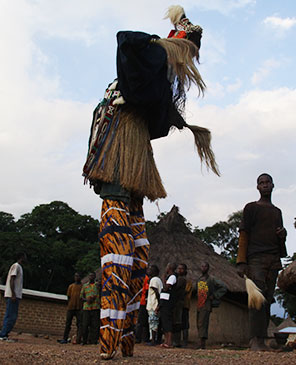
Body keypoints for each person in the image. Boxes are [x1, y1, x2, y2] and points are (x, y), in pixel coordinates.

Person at [81, 5, 217, 360]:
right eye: (187, 51)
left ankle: (125, 341)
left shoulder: (158, 77)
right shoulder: (150, 55)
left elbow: (158, 118)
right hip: (116, 163)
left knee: (139, 259)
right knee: (118, 257)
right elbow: (125, 40)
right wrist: (160, 42)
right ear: (178, 47)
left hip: (136, 166)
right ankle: (109, 343)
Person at [236, 173, 287, 351]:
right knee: (256, 298)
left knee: (267, 299)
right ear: (257, 187)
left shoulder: (277, 212)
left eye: (267, 182)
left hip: (273, 260)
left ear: (273, 185)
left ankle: (263, 339)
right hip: (255, 258)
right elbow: (244, 233)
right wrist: (241, 261)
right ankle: (254, 340)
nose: (265, 185)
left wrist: (283, 236)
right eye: (261, 183)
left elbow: (281, 242)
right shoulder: (251, 208)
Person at [195, 262, 227, 349]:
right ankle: (200, 342)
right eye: (202, 266)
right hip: (199, 304)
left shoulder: (211, 279)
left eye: (205, 266)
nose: (203, 268)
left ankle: (202, 344)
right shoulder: (199, 279)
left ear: (208, 268)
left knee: (203, 323)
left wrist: (215, 295)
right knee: (198, 323)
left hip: (206, 304)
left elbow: (223, 287)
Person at [0, 253, 26, 342]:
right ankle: (2, 335)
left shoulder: (20, 267)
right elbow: (12, 279)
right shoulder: (16, 266)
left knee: (13, 316)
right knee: (10, 315)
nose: (26, 259)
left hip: (15, 295)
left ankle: (5, 334)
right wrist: (13, 293)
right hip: (12, 295)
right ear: (21, 257)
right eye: (25, 257)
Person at [58, 273, 83, 344]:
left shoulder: (82, 287)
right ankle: (64, 338)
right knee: (68, 324)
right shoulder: (71, 286)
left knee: (79, 324)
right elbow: (68, 297)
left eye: (78, 276)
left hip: (79, 308)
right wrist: (70, 304)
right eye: (75, 276)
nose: (76, 277)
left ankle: (78, 339)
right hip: (71, 307)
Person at [159, 263, 178, 348]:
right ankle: (166, 341)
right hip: (164, 301)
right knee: (164, 322)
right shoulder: (169, 277)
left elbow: (166, 287)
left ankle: (169, 342)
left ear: (170, 268)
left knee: (168, 322)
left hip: (168, 302)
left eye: (167, 267)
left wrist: (163, 279)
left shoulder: (172, 277)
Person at [80, 272, 101, 345]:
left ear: (95, 277)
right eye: (90, 276)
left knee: (95, 325)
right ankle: (84, 341)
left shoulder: (97, 285)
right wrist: (87, 300)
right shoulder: (85, 286)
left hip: (95, 307)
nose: (91, 277)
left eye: (92, 276)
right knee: (85, 325)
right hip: (87, 308)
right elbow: (81, 297)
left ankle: (94, 341)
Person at [171, 263, 187, 347]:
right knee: (175, 320)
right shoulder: (178, 278)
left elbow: (175, 288)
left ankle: (176, 341)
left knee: (177, 321)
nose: (179, 270)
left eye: (181, 269)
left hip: (178, 302)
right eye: (178, 268)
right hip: (176, 302)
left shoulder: (181, 280)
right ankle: (175, 340)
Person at [146, 265, 163, 345]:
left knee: (153, 322)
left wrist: (158, 304)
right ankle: (155, 339)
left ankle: (153, 340)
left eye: (150, 270)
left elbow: (156, 292)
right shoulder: (158, 280)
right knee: (154, 322)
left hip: (153, 304)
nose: (148, 271)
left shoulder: (154, 280)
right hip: (154, 303)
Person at [136, 273, 150, 344]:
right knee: (142, 320)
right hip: (141, 301)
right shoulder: (144, 277)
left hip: (142, 301)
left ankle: (139, 338)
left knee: (141, 321)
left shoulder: (144, 278)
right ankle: (142, 338)